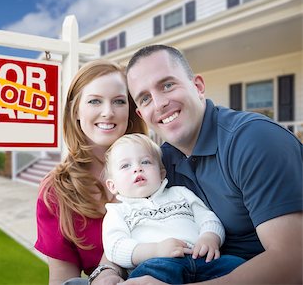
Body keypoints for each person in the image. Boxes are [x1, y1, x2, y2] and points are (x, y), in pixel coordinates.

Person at [109, 44, 302, 284]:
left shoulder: (255, 140)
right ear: (141, 114)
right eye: (146, 98)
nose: (159, 104)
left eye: (167, 85)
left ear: (198, 87)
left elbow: (293, 262)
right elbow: (128, 220)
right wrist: (106, 272)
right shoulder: (161, 162)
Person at [35, 59, 148, 285]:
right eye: (95, 101)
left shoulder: (159, 165)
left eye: (118, 101)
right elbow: (63, 280)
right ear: (76, 110)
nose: (108, 112)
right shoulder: (56, 192)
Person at [102, 133, 245, 283]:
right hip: (157, 263)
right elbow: (115, 247)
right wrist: (156, 250)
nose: (137, 168)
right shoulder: (117, 212)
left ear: (162, 173)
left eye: (145, 162)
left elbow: (207, 217)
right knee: (144, 277)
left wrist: (210, 237)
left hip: (201, 257)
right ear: (112, 185)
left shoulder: (181, 193)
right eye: (126, 165)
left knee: (237, 265)